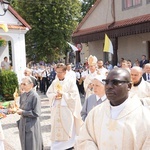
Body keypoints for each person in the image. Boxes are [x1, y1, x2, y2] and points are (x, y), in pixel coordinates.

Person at [76, 68, 150, 149]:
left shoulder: (144, 117)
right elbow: (84, 139)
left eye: (115, 82)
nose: (109, 86)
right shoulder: (96, 113)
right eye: (106, 82)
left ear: (129, 86)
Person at [46, 63, 83, 150]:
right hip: (56, 110)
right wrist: (54, 96)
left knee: (67, 128)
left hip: (66, 109)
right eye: (57, 72)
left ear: (65, 72)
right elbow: (49, 93)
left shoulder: (70, 82)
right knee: (56, 129)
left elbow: (74, 96)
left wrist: (63, 95)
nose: (58, 74)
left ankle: (68, 145)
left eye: (60, 72)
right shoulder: (55, 82)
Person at [17, 76, 43, 150]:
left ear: (31, 85)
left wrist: (23, 112)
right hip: (23, 123)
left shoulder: (35, 96)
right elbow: (21, 108)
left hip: (31, 124)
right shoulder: (23, 95)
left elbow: (37, 113)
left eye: (24, 84)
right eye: (21, 84)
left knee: (32, 145)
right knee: (24, 144)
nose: (22, 86)